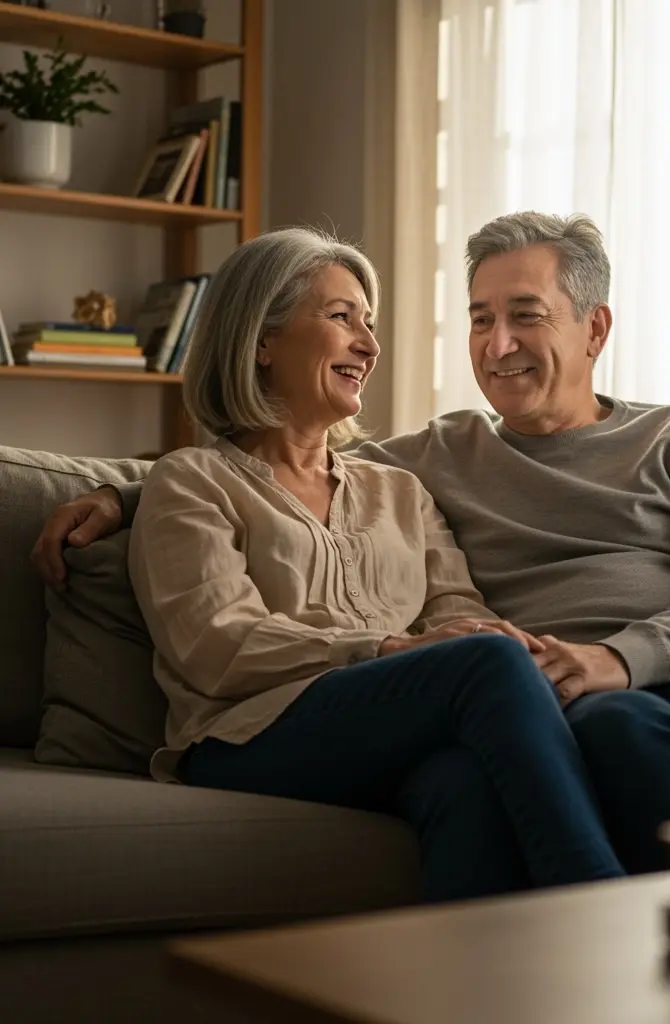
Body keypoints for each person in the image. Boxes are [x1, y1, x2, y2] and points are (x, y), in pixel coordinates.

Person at [34, 213, 670, 876]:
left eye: (525, 316)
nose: (498, 343)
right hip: (523, 699)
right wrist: (121, 493)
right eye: (481, 319)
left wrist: (602, 654)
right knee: (592, 723)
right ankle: (628, 924)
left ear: (595, 329)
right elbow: (248, 487)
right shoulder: (439, 451)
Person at [82, 226, 626, 903]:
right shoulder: (193, 482)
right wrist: (392, 648)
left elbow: (454, 605)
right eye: (342, 318)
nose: (368, 343)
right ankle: (609, 909)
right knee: (485, 668)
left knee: (464, 782)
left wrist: (488, 635)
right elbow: (216, 644)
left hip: (379, 729)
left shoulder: (397, 488)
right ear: (261, 340)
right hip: (246, 737)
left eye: (369, 323)